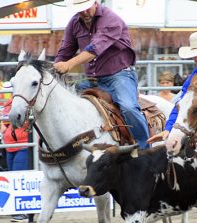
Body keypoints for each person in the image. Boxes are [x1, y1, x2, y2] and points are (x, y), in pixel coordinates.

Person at [53, 0, 150, 149]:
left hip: (120, 76)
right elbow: (65, 51)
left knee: (128, 107)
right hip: (94, 80)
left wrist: (67, 65)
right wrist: (56, 68)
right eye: (80, 10)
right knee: (64, 102)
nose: (84, 12)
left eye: (86, 8)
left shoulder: (111, 19)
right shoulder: (74, 22)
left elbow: (94, 49)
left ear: (95, 3)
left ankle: (145, 148)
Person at [0, 98, 34, 223]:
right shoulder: (9, 102)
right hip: (10, 146)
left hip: (23, 144)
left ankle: (22, 211)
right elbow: (4, 119)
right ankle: (18, 209)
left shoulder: (27, 103)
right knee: (13, 176)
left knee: (17, 175)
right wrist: (3, 126)